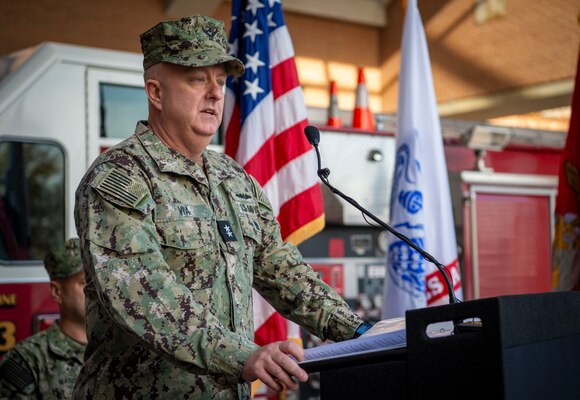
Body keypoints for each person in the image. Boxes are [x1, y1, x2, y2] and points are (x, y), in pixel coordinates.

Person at [73, 14, 371, 399]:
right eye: (198, 79)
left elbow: (280, 268)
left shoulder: (234, 178)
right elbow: (143, 294)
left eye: (220, 80)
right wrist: (243, 355)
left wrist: (358, 332)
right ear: (156, 92)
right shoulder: (120, 178)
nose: (215, 93)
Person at [0, 238, 86, 399]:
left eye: (98, 281)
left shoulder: (116, 348)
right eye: (84, 282)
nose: (93, 290)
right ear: (56, 291)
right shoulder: (26, 359)